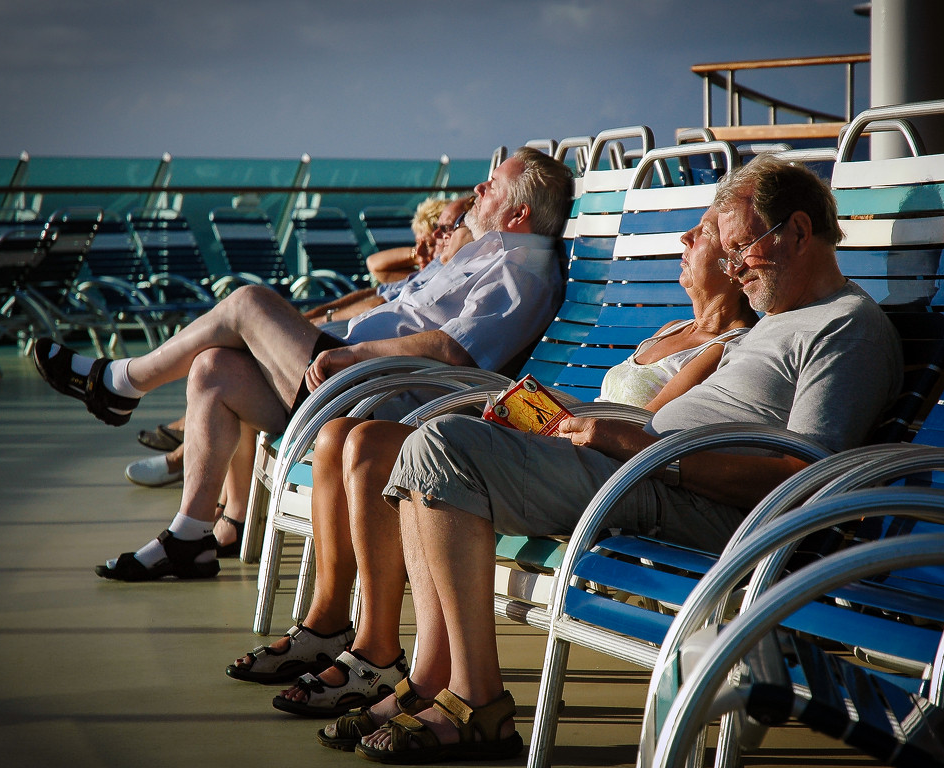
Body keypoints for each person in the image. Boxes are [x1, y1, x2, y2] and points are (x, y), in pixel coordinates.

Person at [355, 154, 903, 763]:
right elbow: (668, 418)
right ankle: (435, 680)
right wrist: (571, 424)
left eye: (742, 247)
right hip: (644, 468)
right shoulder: (773, 322)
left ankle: (478, 700)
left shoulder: (846, 327)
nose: (732, 268)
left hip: (705, 506)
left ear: (799, 231)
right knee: (433, 431)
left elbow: (805, 481)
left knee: (443, 448)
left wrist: (646, 452)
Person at [223, 208, 757, 751]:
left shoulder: (721, 346)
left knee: (437, 448)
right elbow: (602, 408)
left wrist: (549, 421)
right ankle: (379, 649)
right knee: (358, 438)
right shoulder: (670, 331)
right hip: (570, 439)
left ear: (735, 265)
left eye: (705, 234)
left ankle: (440, 683)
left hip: (605, 468)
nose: (685, 239)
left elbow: (638, 428)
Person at [32, 147, 574, 582]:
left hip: (381, 391)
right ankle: (188, 537)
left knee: (247, 302)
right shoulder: (483, 255)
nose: (477, 189)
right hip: (348, 374)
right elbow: (395, 304)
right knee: (213, 369)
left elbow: (455, 352)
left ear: (519, 212)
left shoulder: (521, 273)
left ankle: (120, 382)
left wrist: (354, 351)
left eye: (492, 186)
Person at [118, 196, 475, 491]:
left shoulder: (448, 279)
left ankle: (132, 389)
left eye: (445, 230)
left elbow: (397, 313)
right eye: (434, 231)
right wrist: (425, 251)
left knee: (248, 303)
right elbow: (372, 277)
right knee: (215, 364)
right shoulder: (425, 275)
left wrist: (426, 253)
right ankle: (216, 523)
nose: (433, 240)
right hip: (341, 369)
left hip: (356, 386)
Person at [301, 196, 475, 325]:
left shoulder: (443, 273)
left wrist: (325, 319)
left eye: (430, 243)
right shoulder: (425, 271)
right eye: (417, 243)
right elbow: (375, 277)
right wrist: (416, 253)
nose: (424, 250)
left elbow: (378, 299)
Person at [365, 197, 446, 285]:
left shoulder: (444, 280)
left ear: (448, 241)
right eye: (417, 243)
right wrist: (416, 256)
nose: (418, 251)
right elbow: (374, 265)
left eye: (428, 245)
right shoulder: (419, 277)